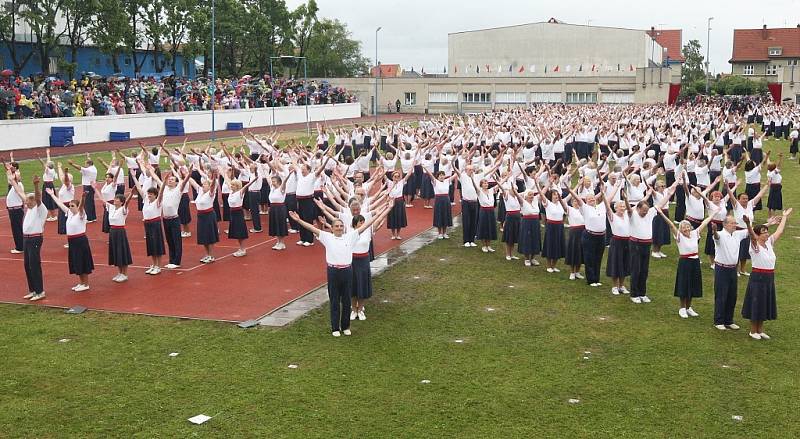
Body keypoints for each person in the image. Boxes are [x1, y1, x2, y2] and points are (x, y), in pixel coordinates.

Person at [288, 207, 389, 337]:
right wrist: (298, 220)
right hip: (333, 271)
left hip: (347, 271)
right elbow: (311, 228)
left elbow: (367, 224)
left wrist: (380, 212)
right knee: (334, 300)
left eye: (341, 226)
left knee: (346, 300)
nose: (339, 228)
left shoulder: (351, 236)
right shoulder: (326, 237)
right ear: (332, 228)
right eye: (337, 226)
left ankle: (346, 326)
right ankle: (335, 328)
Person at [657, 206, 717, 318]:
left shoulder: (695, 234)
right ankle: (682, 308)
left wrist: (714, 214)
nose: (686, 229)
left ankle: (689, 307)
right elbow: (671, 224)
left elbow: (704, 222)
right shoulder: (679, 236)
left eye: (688, 227)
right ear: (680, 229)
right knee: (684, 285)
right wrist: (661, 213)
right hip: (684, 263)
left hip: (695, 262)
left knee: (693, 284)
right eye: (683, 227)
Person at [741, 209, 792, 340]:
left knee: (763, 303)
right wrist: (748, 224)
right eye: (763, 233)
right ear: (758, 235)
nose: (766, 234)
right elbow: (752, 236)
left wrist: (784, 217)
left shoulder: (769, 243)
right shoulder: (754, 246)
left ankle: (760, 329)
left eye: (766, 232)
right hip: (758, 278)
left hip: (769, 278)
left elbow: (779, 231)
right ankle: (753, 331)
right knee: (756, 303)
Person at [46, 187, 93, 291]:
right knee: (76, 261)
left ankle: (86, 284)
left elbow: (81, 207)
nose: (70, 207)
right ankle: (81, 283)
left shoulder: (81, 215)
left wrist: (83, 197)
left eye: (73, 206)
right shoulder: (69, 213)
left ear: (77, 206)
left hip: (80, 240)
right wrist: (52, 195)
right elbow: (60, 204)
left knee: (82, 261)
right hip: (72, 241)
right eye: (70, 206)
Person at [10, 175, 48, 300]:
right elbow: (20, 192)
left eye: (28, 200)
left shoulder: (39, 208)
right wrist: (13, 181)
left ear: (34, 201)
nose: (26, 201)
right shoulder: (30, 208)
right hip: (26, 239)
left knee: (34, 264)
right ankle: (32, 290)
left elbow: (38, 197)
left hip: (34, 238)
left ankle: (40, 291)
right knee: (27, 264)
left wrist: (36, 185)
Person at [710, 216, 750, 331]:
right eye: (733, 223)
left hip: (733, 269)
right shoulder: (720, 235)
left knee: (732, 295)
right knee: (721, 295)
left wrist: (769, 224)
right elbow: (716, 237)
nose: (735, 225)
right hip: (721, 269)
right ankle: (719, 321)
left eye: (735, 223)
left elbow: (751, 230)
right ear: (726, 224)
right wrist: (714, 230)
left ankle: (729, 320)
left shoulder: (737, 234)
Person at [132, 168, 166, 274]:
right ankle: (153, 264)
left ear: (155, 195)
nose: (149, 195)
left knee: (157, 245)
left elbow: (161, 192)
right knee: (151, 245)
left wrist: (164, 182)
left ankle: (158, 266)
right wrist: (133, 176)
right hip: (147, 224)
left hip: (155, 224)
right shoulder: (145, 200)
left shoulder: (158, 202)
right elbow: (138, 187)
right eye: (148, 193)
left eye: (151, 194)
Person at [188, 170, 220, 263]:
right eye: (203, 184)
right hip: (201, 216)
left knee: (209, 236)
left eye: (205, 184)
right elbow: (192, 182)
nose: (203, 185)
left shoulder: (211, 194)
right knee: (203, 236)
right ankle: (206, 254)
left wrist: (214, 179)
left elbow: (214, 185)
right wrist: (187, 174)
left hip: (208, 216)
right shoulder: (200, 192)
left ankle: (211, 255)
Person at [104, 192, 134, 282]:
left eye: (117, 199)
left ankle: (124, 274)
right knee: (116, 252)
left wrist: (131, 194)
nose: (115, 200)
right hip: (112, 232)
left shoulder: (123, 209)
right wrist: (95, 189)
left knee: (122, 252)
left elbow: (127, 202)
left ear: (121, 202)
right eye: (115, 198)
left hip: (120, 232)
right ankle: (120, 272)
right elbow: (102, 199)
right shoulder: (111, 208)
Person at [226, 177, 256, 257]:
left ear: (237, 186)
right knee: (236, 232)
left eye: (233, 185)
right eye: (231, 185)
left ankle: (243, 249)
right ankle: (240, 248)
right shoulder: (231, 192)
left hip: (238, 213)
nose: (231, 186)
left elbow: (246, 186)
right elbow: (226, 180)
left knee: (240, 232)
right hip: (232, 213)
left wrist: (253, 180)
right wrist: (223, 172)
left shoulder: (240, 192)